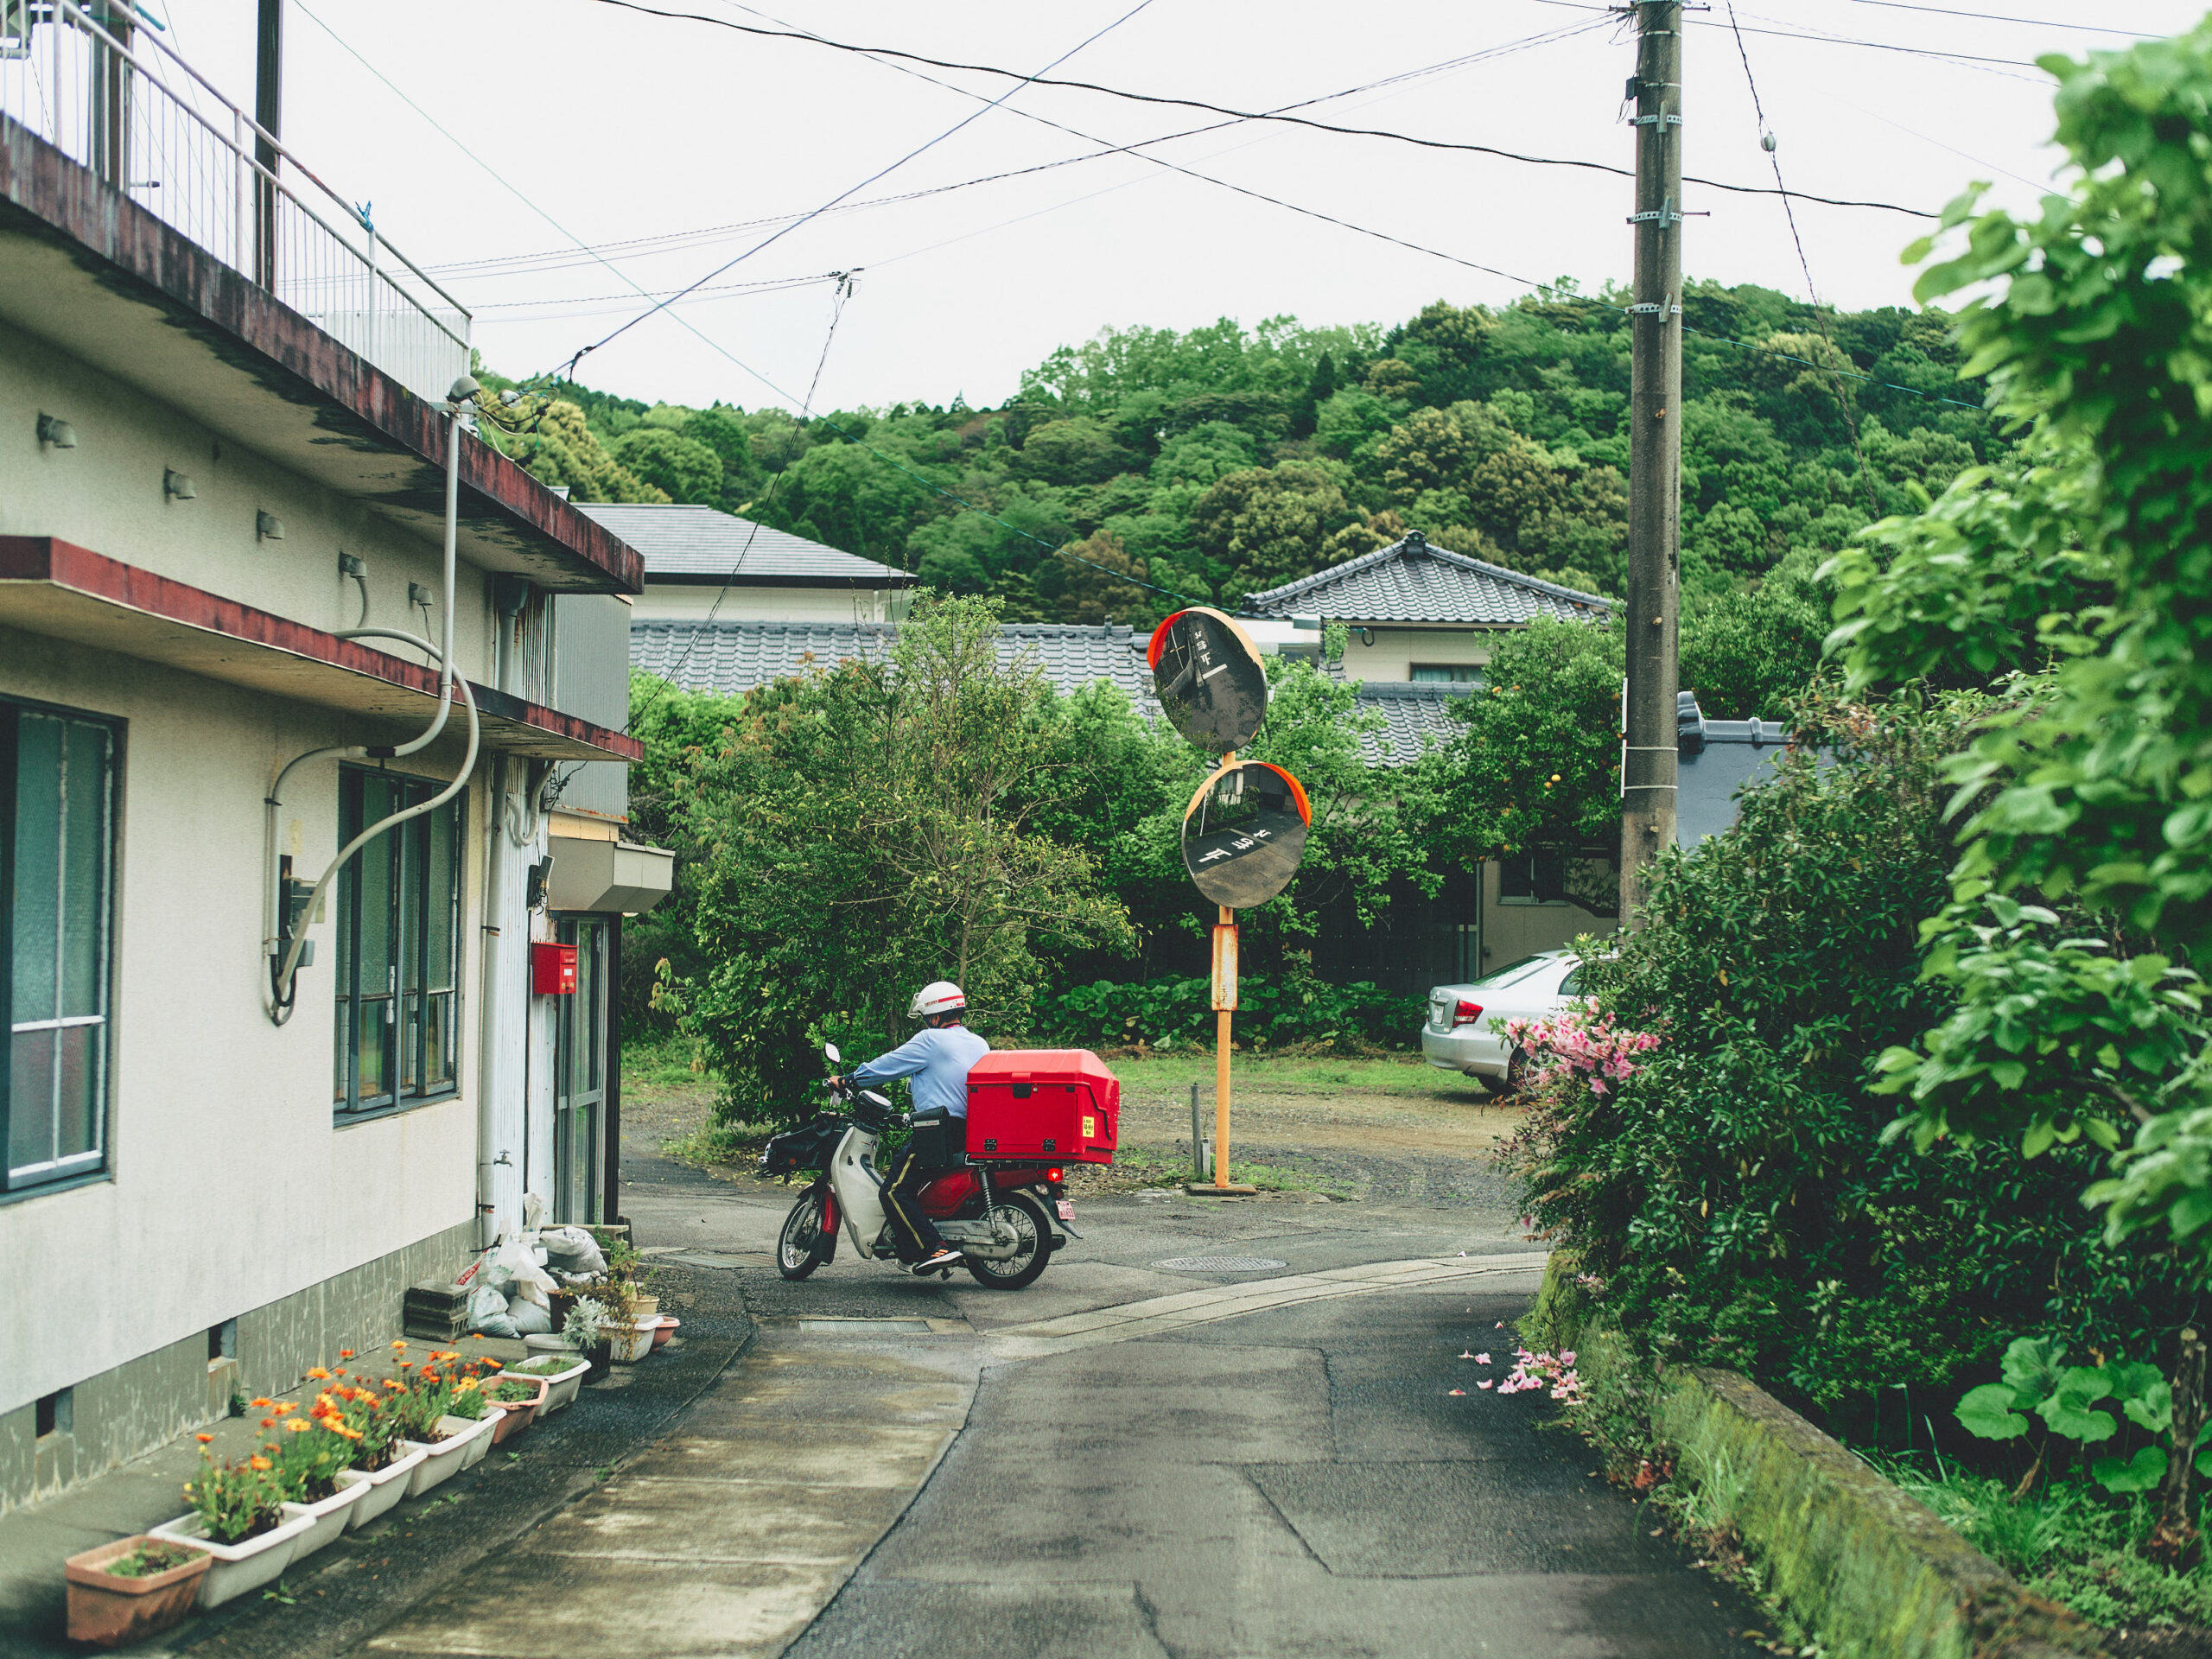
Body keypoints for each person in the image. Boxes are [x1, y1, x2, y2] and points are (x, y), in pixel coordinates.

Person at [834, 981, 989, 1274]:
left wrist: (847, 1081)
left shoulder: (931, 1040)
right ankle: (907, 1249)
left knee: (894, 1192)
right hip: (970, 1131)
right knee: (914, 1189)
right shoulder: (978, 1043)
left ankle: (935, 1247)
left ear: (934, 1017)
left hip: (939, 1133)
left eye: (925, 1017)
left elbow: (888, 1065)